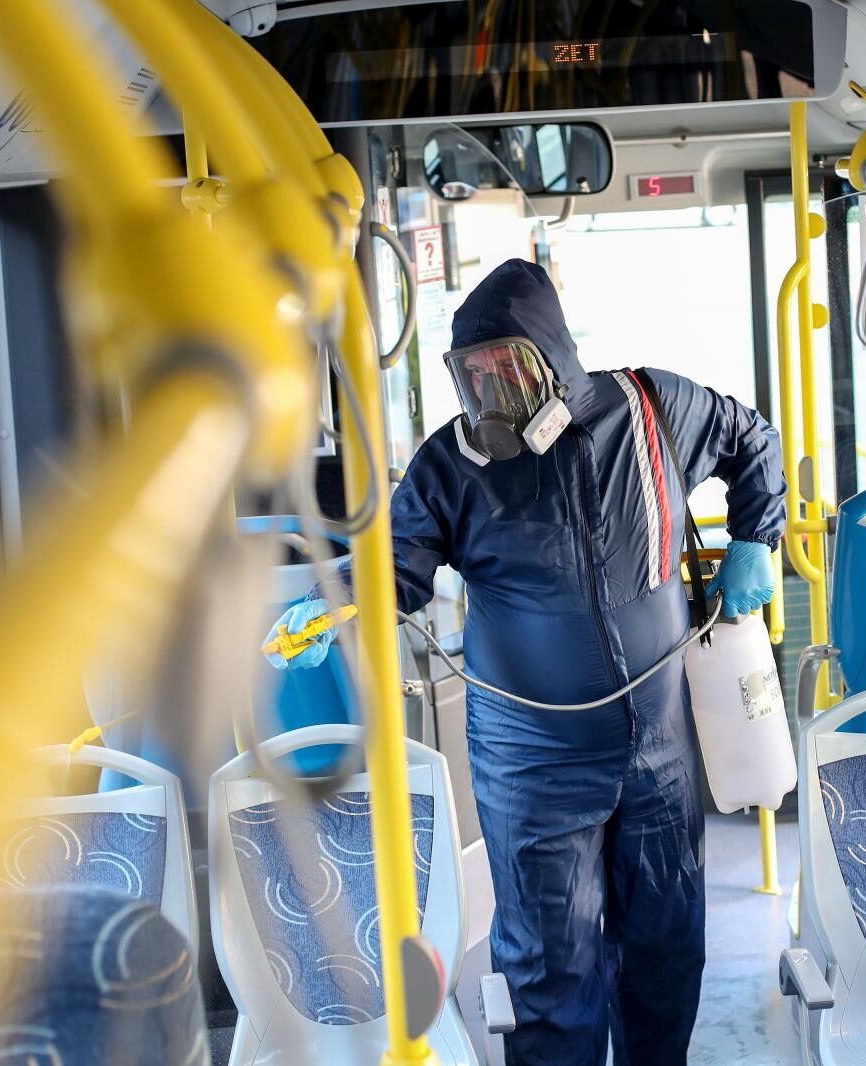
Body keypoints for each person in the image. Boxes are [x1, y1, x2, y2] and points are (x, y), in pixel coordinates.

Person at [267, 259, 785, 1064]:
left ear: (553, 356)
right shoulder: (452, 466)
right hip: (535, 764)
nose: (491, 389)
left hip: (661, 750)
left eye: (505, 366)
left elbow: (753, 439)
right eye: (472, 376)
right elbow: (397, 565)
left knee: (665, 949)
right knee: (551, 972)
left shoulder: (652, 407)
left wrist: (758, 535)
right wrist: (341, 600)